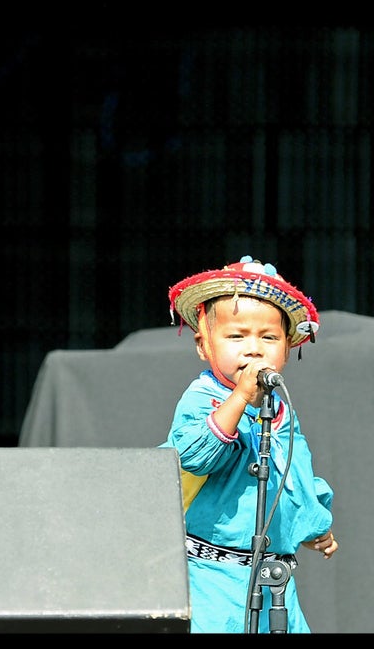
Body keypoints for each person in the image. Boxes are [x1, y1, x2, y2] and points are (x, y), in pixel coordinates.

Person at [163, 255, 337, 633]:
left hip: (274, 581)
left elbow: (295, 471)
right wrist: (240, 397)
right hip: (212, 579)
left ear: (288, 348)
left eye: (269, 337)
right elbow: (193, 455)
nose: (254, 349)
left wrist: (314, 525)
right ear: (202, 345)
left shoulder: (281, 408)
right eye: (236, 336)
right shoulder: (202, 397)